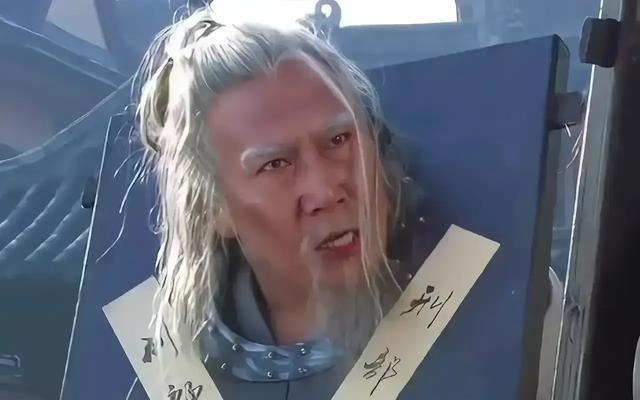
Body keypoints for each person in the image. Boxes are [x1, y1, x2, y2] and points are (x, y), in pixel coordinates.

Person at [134, 5, 429, 399]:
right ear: (213, 208)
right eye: (275, 164)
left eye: (339, 140)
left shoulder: (497, 301)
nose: (325, 192)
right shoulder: (169, 369)